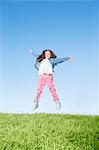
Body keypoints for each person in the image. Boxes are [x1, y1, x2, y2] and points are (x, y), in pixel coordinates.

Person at [28, 48, 72, 112]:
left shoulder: (52, 60)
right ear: (44, 54)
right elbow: (36, 55)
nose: (47, 55)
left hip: (49, 76)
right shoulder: (41, 59)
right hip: (41, 76)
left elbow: (60, 60)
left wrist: (67, 58)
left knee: (52, 89)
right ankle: (36, 103)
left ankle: (57, 103)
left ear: (51, 54)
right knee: (39, 89)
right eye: (46, 54)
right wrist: (31, 52)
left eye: (49, 54)